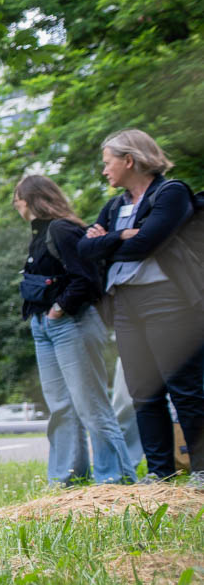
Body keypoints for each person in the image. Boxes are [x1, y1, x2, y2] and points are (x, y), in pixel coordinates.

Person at [79, 129, 203, 481]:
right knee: (143, 393)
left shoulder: (171, 193)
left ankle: (201, 470)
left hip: (168, 301)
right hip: (126, 304)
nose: (104, 171)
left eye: (108, 163)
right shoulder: (115, 206)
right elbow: (84, 249)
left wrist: (108, 242)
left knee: (185, 387)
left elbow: (147, 244)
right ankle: (161, 473)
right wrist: (120, 236)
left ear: (129, 160)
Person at [12, 174, 133, 485]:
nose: (15, 203)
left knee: (91, 404)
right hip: (45, 326)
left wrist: (60, 308)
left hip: (71, 323)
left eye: (17, 197)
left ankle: (114, 479)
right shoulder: (39, 233)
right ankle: (67, 479)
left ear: (30, 199)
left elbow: (87, 278)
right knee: (61, 407)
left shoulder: (62, 229)